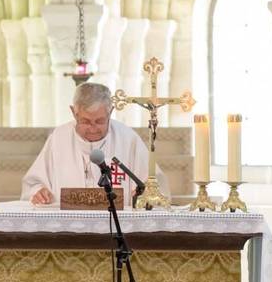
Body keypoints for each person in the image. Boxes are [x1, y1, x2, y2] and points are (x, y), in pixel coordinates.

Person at [21, 82, 168, 205]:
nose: (92, 128)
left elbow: (154, 183)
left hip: (117, 227)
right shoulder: (59, 138)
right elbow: (33, 183)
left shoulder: (128, 139)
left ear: (110, 112)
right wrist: (38, 192)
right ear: (74, 112)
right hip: (68, 229)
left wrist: (145, 193)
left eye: (99, 121)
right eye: (85, 121)